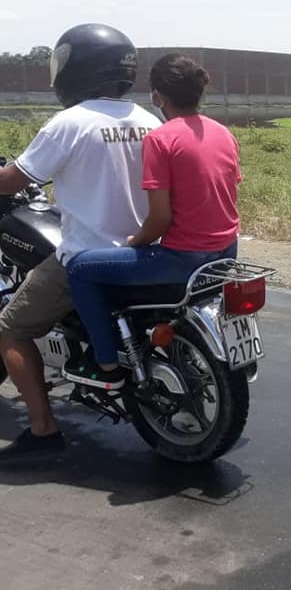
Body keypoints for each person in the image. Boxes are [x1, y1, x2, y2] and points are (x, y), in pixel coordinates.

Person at [0, 23, 160, 462]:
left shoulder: (70, 123)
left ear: (75, 68)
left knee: (11, 329)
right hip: (143, 251)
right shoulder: (149, 120)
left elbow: (14, 179)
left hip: (87, 256)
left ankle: (43, 430)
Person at [64, 54, 241, 386]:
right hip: (226, 253)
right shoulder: (223, 133)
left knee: (79, 268)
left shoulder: (161, 139)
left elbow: (160, 219)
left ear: (158, 95)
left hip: (182, 260)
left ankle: (105, 363)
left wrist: (135, 242)